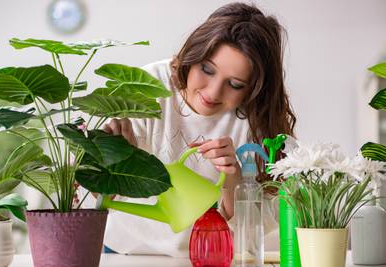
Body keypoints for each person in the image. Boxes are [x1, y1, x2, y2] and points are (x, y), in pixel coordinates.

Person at [99, 2, 296, 257]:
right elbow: (96, 197)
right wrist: (111, 162)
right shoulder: (146, 88)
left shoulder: (260, 119)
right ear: (193, 55)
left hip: (209, 257)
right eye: (206, 69)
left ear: (254, 89)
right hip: (122, 251)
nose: (213, 92)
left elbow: (263, 226)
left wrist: (233, 181)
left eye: (235, 84)